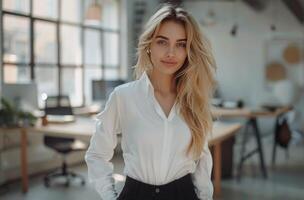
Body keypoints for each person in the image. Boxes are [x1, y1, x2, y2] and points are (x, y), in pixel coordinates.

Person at [85, 4, 217, 200]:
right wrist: (110, 196)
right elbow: (97, 154)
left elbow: (202, 160)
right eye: (162, 42)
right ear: (149, 45)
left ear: (188, 51)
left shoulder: (194, 100)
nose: (171, 52)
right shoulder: (123, 97)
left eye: (181, 44)